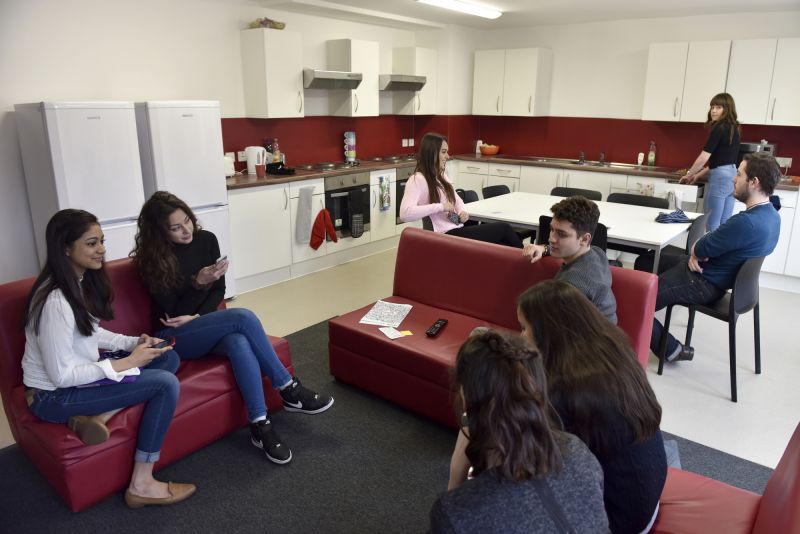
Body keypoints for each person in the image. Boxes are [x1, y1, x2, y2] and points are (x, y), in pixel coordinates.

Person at [131, 191, 333, 465]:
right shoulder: (151, 261)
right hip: (171, 338)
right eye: (176, 228)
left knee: (238, 340)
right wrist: (198, 283)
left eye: (187, 221)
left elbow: (220, 290)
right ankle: (288, 388)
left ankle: (259, 424)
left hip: (199, 325)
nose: (186, 229)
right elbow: (173, 315)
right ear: (159, 232)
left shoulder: (206, 240)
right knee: (244, 317)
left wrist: (199, 314)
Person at [21, 209, 195, 508]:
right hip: (51, 397)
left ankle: (98, 415)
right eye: (91, 243)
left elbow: (91, 332)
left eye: (101, 241)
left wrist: (134, 343)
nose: (101, 249)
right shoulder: (55, 302)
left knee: (166, 357)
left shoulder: (76, 281)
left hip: (75, 385)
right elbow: (61, 377)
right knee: (165, 384)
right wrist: (127, 363)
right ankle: (142, 483)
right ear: (65, 247)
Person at [517, 280, 667, 534]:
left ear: (547, 332)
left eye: (524, 328)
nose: (521, 336)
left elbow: (543, 456)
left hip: (620, 518)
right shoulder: (611, 346)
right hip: (649, 491)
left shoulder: (566, 388)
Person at [432, 330, 608, 533]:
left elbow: (454, 517)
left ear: (466, 396)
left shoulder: (457, 513)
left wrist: (456, 475)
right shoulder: (578, 450)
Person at [652, 152, 781, 362]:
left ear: (754, 182)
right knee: (647, 261)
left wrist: (697, 251)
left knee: (640, 298)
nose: (733, 178)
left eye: (739, 174)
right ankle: (639, 326)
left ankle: (670, 348)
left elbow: (701, 247)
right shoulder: (772, 215)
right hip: (717, 275)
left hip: (704, 281)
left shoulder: (745, 222)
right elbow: (708, 246)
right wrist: (699, 252)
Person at [400, 132, 523, 248]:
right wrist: (440, 207)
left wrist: (462, 211)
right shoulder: (417, 180)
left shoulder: (441, 175)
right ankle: (531, 266)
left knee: (503, 239)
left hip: (456, 227)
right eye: (443, 152)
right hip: (445, 235)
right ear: (432, 153)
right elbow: (405, 214)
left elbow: (456, 199)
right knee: (504, 229)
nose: (447, 156)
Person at [522, 195, 617, 323]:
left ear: (584, 239)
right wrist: (543, 249)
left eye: (561, 234)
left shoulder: (571, 285)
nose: (551, 238)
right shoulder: (597, 253)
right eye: (552, 230)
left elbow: (556, 334)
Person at [679, 93, 742, 231]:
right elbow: (721, 160)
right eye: (712, 107)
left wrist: (689, 174)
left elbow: (704, 157)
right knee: (724, 223)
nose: (713, 110)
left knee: (711, 223)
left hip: (720, 178)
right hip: (732, 175)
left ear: (727, 109)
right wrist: (699, 175)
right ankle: (721, 253)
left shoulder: (719, 128)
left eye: (718, 107)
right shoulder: (735, 129)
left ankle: (708, 253)